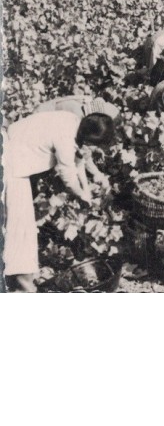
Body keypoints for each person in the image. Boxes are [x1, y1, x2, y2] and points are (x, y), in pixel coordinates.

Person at [2, 112, 116, 292]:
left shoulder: (73, 121)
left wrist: (93, 181)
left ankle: (18, 279)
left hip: (14, 156)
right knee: (22, 229)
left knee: (14, 224)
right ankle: (24, 288)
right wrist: (82, 194)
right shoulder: (65, 136)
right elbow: (68, 173)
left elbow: (79, 159)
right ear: (89, 140)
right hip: (12, 165)